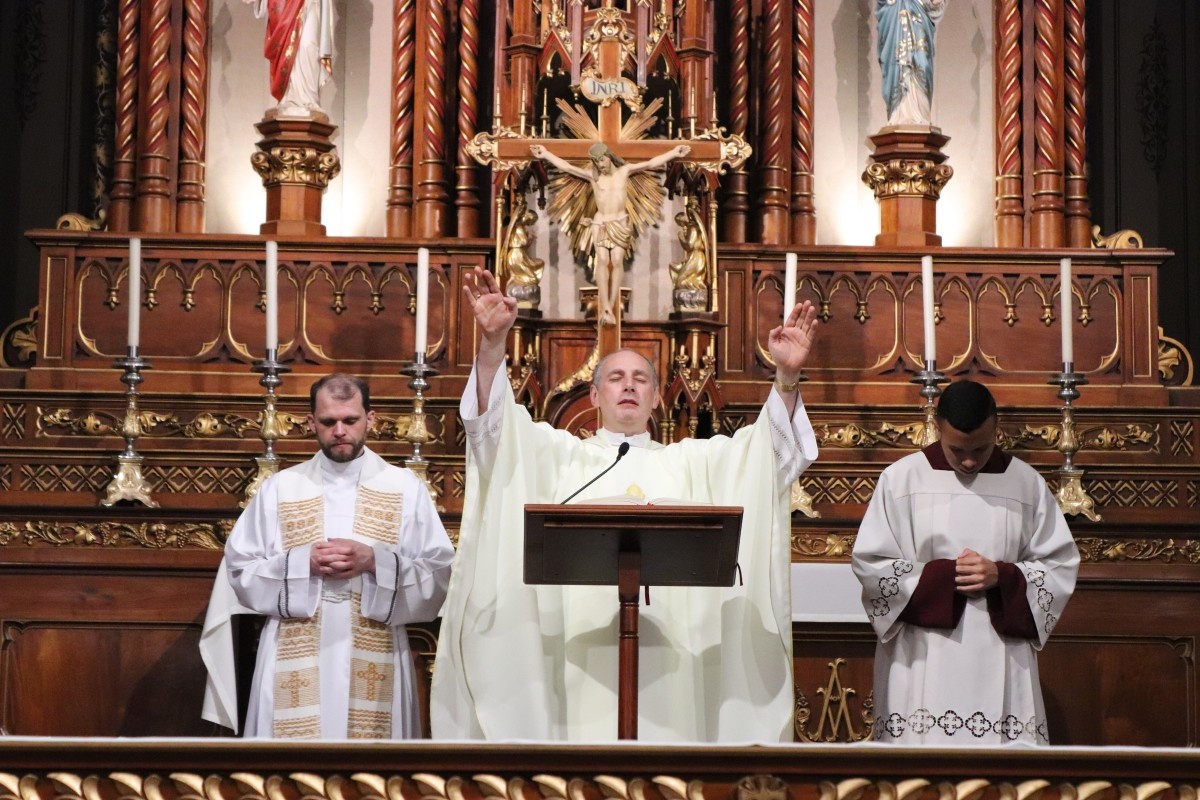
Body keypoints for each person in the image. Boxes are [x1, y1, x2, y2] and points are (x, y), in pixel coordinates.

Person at [429, 266, 820, 742]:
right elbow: (493, 436)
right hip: (579, 648)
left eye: (640, 379)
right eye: (616, 378)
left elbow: (771, 457)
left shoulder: (698, 462)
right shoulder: (558, 456)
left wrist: (787, 376)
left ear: (657, 399)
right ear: (594, 395)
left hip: (674, 653)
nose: (629, 386)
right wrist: (492, 346)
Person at [200, 374, 453, 738]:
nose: (339, 431)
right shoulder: (281, 488)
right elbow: (241, 569)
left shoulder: (403, 488)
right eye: (328, 421)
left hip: (376, 646)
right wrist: (301, 562)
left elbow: (438, 572)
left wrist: (374, 561)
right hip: (293, 645)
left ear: (371, 419)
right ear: (310, 422)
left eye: (350, 420)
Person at [851, 379, 1079, 745]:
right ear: (937, 427)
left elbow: (1059, 567)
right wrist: (942, 577)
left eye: (981, 448)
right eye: (957, 450)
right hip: (923, 655)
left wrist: (1003, 576)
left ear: (997, 428)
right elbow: (872, 566)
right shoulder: (902, 479)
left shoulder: (1025, 483)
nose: (970, 460)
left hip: (1003, 652)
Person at [530, 141, 690, 327]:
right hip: (600, 221)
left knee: (617, 261)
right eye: (597, 162)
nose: (600, 165)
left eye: (602, 160)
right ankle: (605, 306)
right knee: (603, 261)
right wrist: (546, 153)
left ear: (609, 157)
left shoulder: (625, 171)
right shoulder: (593, 176)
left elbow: (651, 164)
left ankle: (612, 304)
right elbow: (566, 167)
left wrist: (673, 153)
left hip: (620, 222)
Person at [245, 0, 334, 116]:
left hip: (310, 3)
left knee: (308, 46)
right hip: (285, 6)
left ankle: (310, 98)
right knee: (288, 47)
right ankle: (289, 98)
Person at [876, 0, 947, 126]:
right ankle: (897, 113)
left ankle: (920, 113)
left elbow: (934, 4)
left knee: (922, 62)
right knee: (896, 62)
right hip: (895, 15)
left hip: (919, 14)